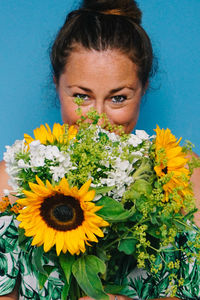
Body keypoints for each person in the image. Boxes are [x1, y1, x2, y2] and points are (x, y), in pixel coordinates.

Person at [0, 0, 200, 299]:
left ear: (143, 88)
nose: (98, 119)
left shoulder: (182, 176)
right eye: (82, 96)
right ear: (57, 84)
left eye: (118, 98)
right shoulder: (10, 182)